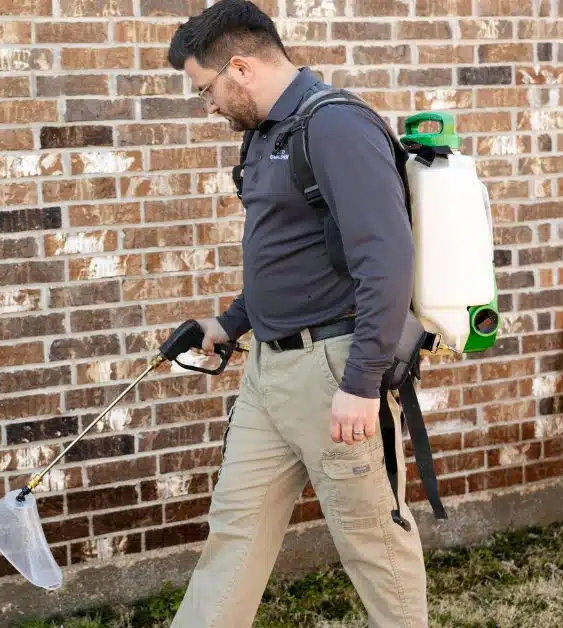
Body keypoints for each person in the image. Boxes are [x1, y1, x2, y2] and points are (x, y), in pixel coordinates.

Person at [165, 1, 429, 626]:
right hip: (269, 371)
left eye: (206, 90)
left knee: (373, 539)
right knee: (235, 531)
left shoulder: (335, 127)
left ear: (240, 67)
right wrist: (229, 324)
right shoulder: (266, 136)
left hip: (334, 370)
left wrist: (361, 384)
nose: (208, 106)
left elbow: (386, 260)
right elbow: (286, 254)